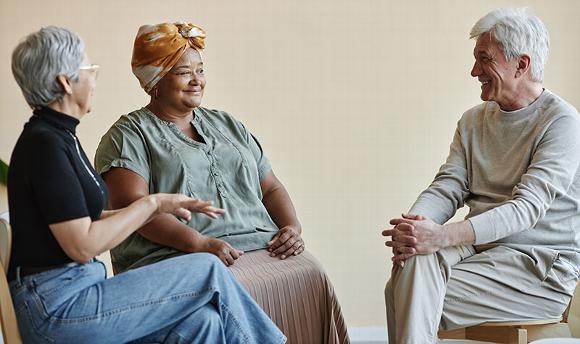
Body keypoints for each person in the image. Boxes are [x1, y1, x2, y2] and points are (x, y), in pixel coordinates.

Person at [7, 25, 286, 344]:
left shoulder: (59, 137)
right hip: (59, 310)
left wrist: (162, 204)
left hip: (75, 294)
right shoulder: (45, 146)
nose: (95, 80)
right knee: (207, 270)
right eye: (90, 69)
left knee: (203, 323)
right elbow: (82, 245)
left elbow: (86, 222)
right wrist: (150, 204)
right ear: (64, 82)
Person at [95, 22, 349, 344]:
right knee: (235, 289)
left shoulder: (227, 124)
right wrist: (199, 244)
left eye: (200, 70)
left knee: (311, 272)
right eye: (183, 72)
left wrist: (292, 228)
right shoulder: (128, 135)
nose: (197, 79)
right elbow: (136, 209)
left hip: (262, 245)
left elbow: (270, 186)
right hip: (182, 258)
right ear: (155, 79)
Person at [382, 8, 580, 344]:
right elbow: (448, 186)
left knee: (405, 291)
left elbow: (526, 209)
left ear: (521, 64)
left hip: (538, 266)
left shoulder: (562, 123)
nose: (474, 71)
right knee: (412, 265)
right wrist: (417, 227)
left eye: (484, 59)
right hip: (479, 251)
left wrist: (442, 236)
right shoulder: (472, 121)